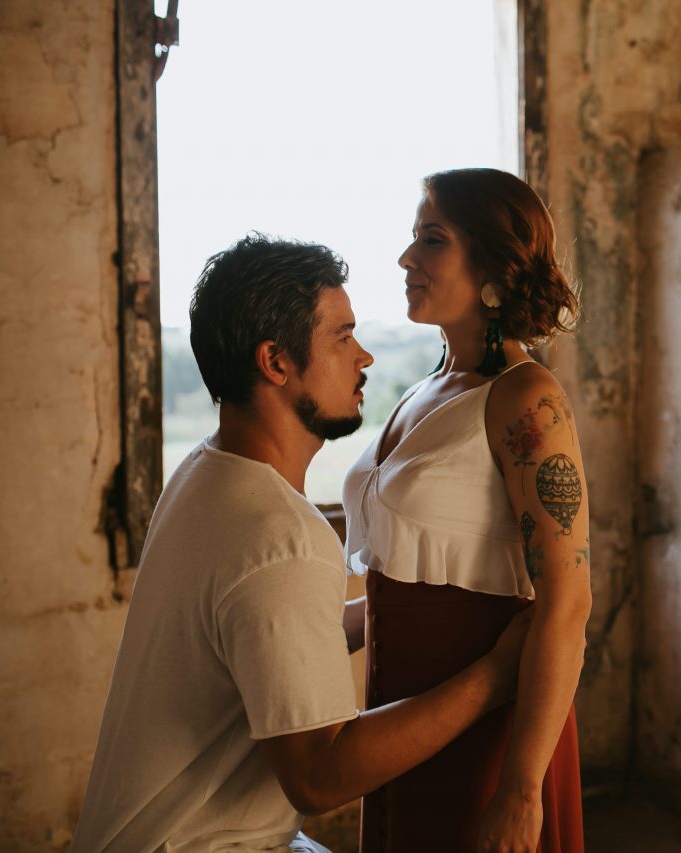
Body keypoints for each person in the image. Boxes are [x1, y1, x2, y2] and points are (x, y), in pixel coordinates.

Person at [73, 234, 530, 853]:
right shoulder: (282, 535)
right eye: (342, 338)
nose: (364, 356)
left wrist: (387, 610)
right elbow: (321, 775)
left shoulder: (204, 474)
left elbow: (269, 635)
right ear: (275, 362)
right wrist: (495, 676)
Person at [341, 168, 591, 853]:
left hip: (488, 725)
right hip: (400, 711)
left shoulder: (526, 397)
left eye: (432, 239)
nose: (406, 258)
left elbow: (567, 603)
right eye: (413, 237)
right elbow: (415, 579)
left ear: (492, 266)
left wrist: (521, 789)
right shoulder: (425, 387)